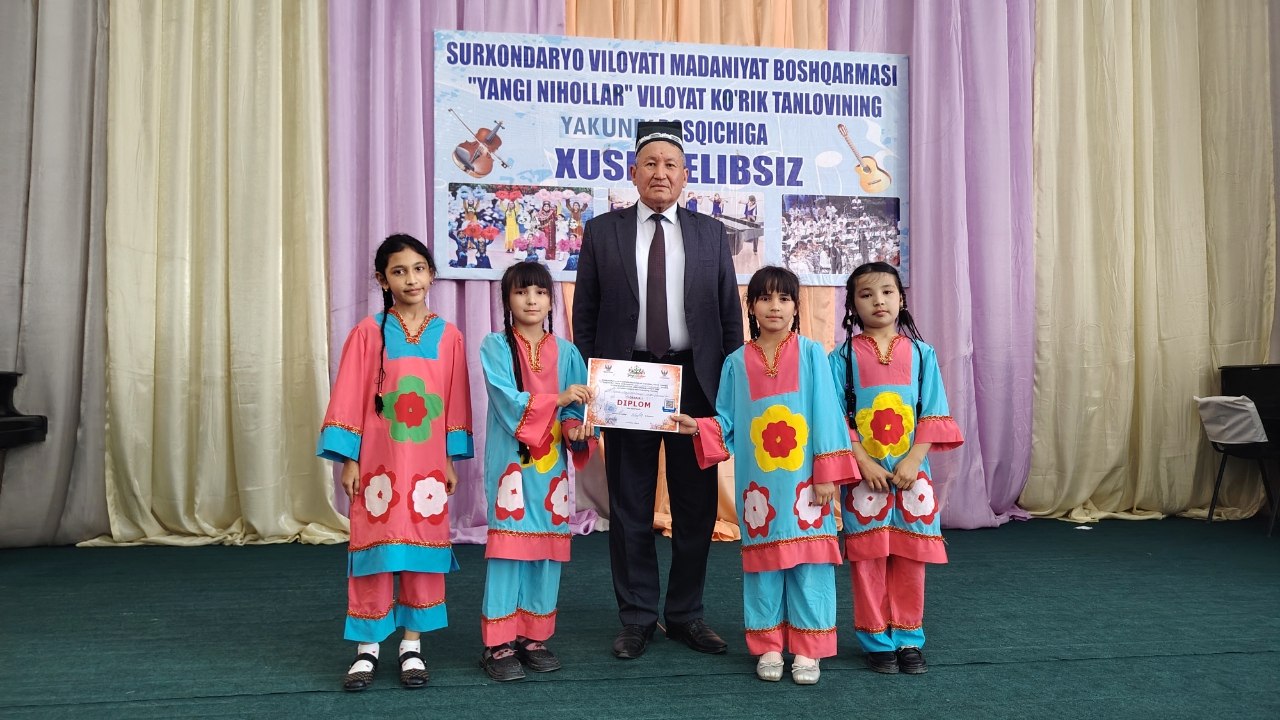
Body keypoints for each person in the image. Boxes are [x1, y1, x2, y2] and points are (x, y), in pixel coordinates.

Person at [573, 120, 743, 660]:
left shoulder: (710, 233)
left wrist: (728, 392)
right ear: (633, 173)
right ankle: (637, 617)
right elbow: (586, 315)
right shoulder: (603, 232)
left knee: (696, 506)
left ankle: (686, 614)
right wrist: (593, 387)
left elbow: (728, 316)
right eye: (650, 164)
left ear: (685, 175)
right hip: (627, 381)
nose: (660, 173)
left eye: (671, 164)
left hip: (696, 381)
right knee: (630, 504)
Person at [670, 266, 859, 684]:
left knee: (810, 565)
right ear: (751, 306)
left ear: (796, 307)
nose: (775, 307)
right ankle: (768, 646)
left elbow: (828, 415)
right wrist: (698, 426)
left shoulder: (811, 353)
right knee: (763, 568)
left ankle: (809, 649)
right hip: (759, 490)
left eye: (784, 299)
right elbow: (728, 422)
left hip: (807, 483)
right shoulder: (736, 363)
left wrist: (827, 473)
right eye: (765, 298)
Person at [317, 234, 474, 692]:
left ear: (432, 274)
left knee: (422, 551)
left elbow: (455, 400)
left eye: (419, 268)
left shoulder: (450, 336)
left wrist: (450, 459)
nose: (411, 279)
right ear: (382, 279)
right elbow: (349, 395)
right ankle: (367, 649)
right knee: (374, 551)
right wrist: (349, 460)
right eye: (399, 271)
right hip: (377, 464)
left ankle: (411, 646)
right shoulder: (368, 333)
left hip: (427, 467)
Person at [827, 261, 963, 676]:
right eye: (866, 294)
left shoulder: (922, 354)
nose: (878, 301)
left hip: (911, 474)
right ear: (852, 305)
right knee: (867, 559)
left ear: (901, 299)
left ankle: (908, 638)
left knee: (909, 557)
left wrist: (914, 461)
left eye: (887, 292)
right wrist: (862, 461)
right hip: (863, 477)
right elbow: (835, 417)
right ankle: (875, 640)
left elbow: (934, 411)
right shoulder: (842, 357)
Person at [477, 261, 596, 681]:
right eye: (521, 292)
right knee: (508, 551)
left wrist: (577, 429)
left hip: (551, 473)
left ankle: (534, 637)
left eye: (541, 292)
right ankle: (498, 644)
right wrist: (558, 399)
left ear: (551, 301)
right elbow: (506, 402)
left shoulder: (567, 352)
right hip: (510, 465)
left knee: (546, 551)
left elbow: (578, 411)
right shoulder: (495, 346)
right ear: (506, 299)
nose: (531, 300)